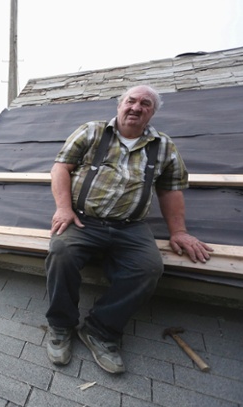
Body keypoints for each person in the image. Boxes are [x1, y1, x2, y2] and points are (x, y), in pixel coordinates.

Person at [45, 85, 212, 374]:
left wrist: (179, 231)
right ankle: (61, 325)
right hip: (84, 220)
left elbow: (171, 192)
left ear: (152, 112)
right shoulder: (91, 132)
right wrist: (64, 208)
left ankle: (100, 329)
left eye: (145, 103)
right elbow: (61, 168)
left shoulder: (164, 147)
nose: (136, 107)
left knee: (148, 268)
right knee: (61, 253)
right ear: (120, 105)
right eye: (131, 101)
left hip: (130, 227)